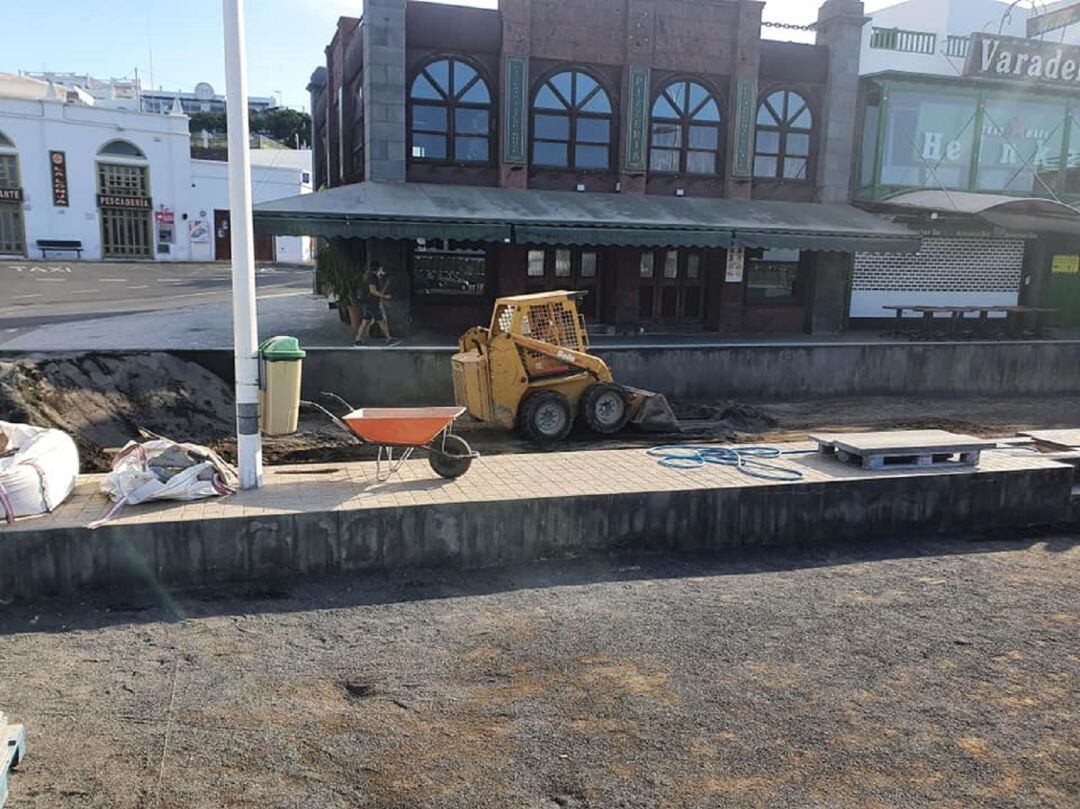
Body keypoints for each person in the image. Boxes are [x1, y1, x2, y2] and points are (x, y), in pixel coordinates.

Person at [355, 262, 399, 346]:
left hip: (366, 302)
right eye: (380, 268)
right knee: (381, 321)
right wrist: (385, 296)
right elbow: (373, 291)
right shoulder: (372, 278)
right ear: (377, 269)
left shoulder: (367, 276)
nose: (381, 270)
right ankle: (389, 339)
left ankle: (358, 339)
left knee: (365, 321)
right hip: (372, 303)